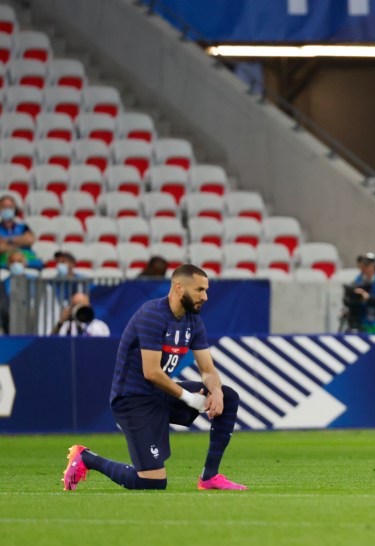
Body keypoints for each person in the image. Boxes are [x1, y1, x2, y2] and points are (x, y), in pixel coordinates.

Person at [62, 264, 246, 491]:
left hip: (160, 395)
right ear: (179, 288)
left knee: (228, 396)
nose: (205, 296)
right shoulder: (152, 315)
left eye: (206, 290)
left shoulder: (193, 321)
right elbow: (152, 372)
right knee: (152, 482)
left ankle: (209, 477)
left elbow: (208, 370)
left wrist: (215, 391)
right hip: (131, 400)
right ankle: (86, 458)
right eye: (199, 290)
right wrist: (190, 398)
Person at [0, 194, 39, 268]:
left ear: (15, 209)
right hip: (4, 262)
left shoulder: (23, 227)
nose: (7, 209)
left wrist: (8, 240)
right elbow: (1, 248)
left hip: (27, 261)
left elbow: (30, 240)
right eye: (4, 207)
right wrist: (21, 242)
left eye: (10, 207)